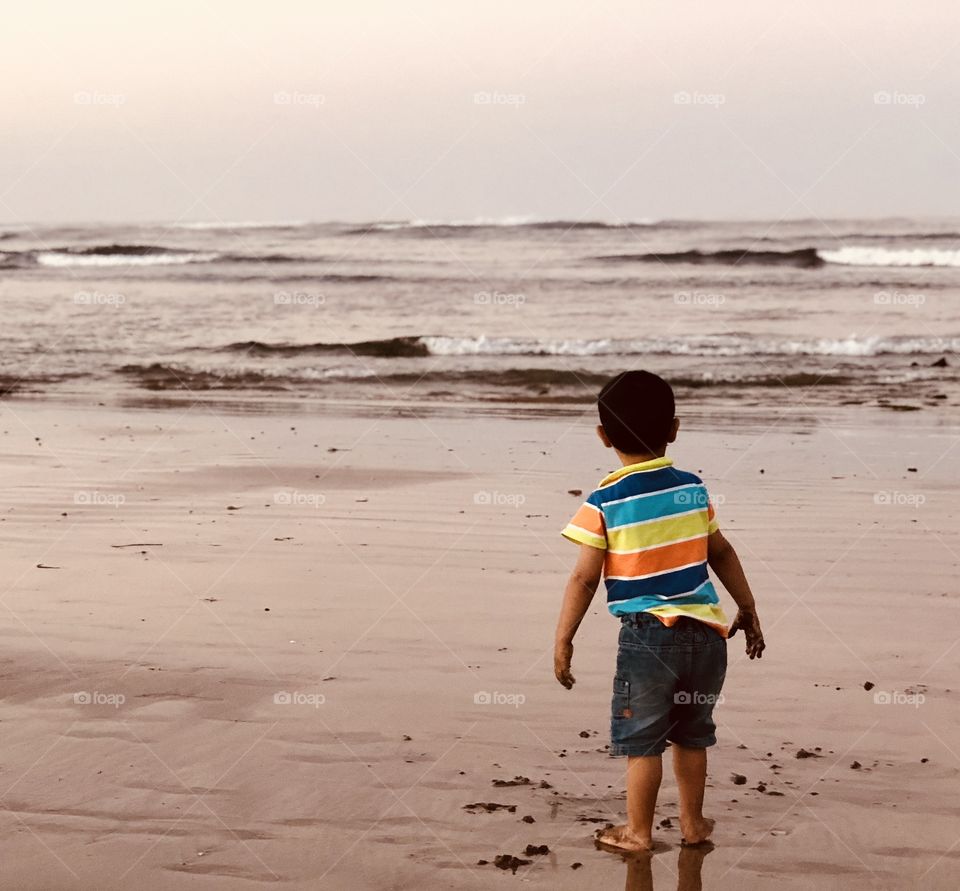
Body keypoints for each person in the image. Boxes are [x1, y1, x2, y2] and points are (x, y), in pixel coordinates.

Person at [553, 370, 765, 851]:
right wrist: (747, 606)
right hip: (708, 637)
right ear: (674, 428)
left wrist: (564, 638)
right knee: (693, 734)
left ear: (603, 437)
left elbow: (585, 578)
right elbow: (723, 553)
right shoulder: (692, 489)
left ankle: (638, 833)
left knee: (642, 741)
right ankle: (692, 825)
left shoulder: (605, 499)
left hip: (648, 639)